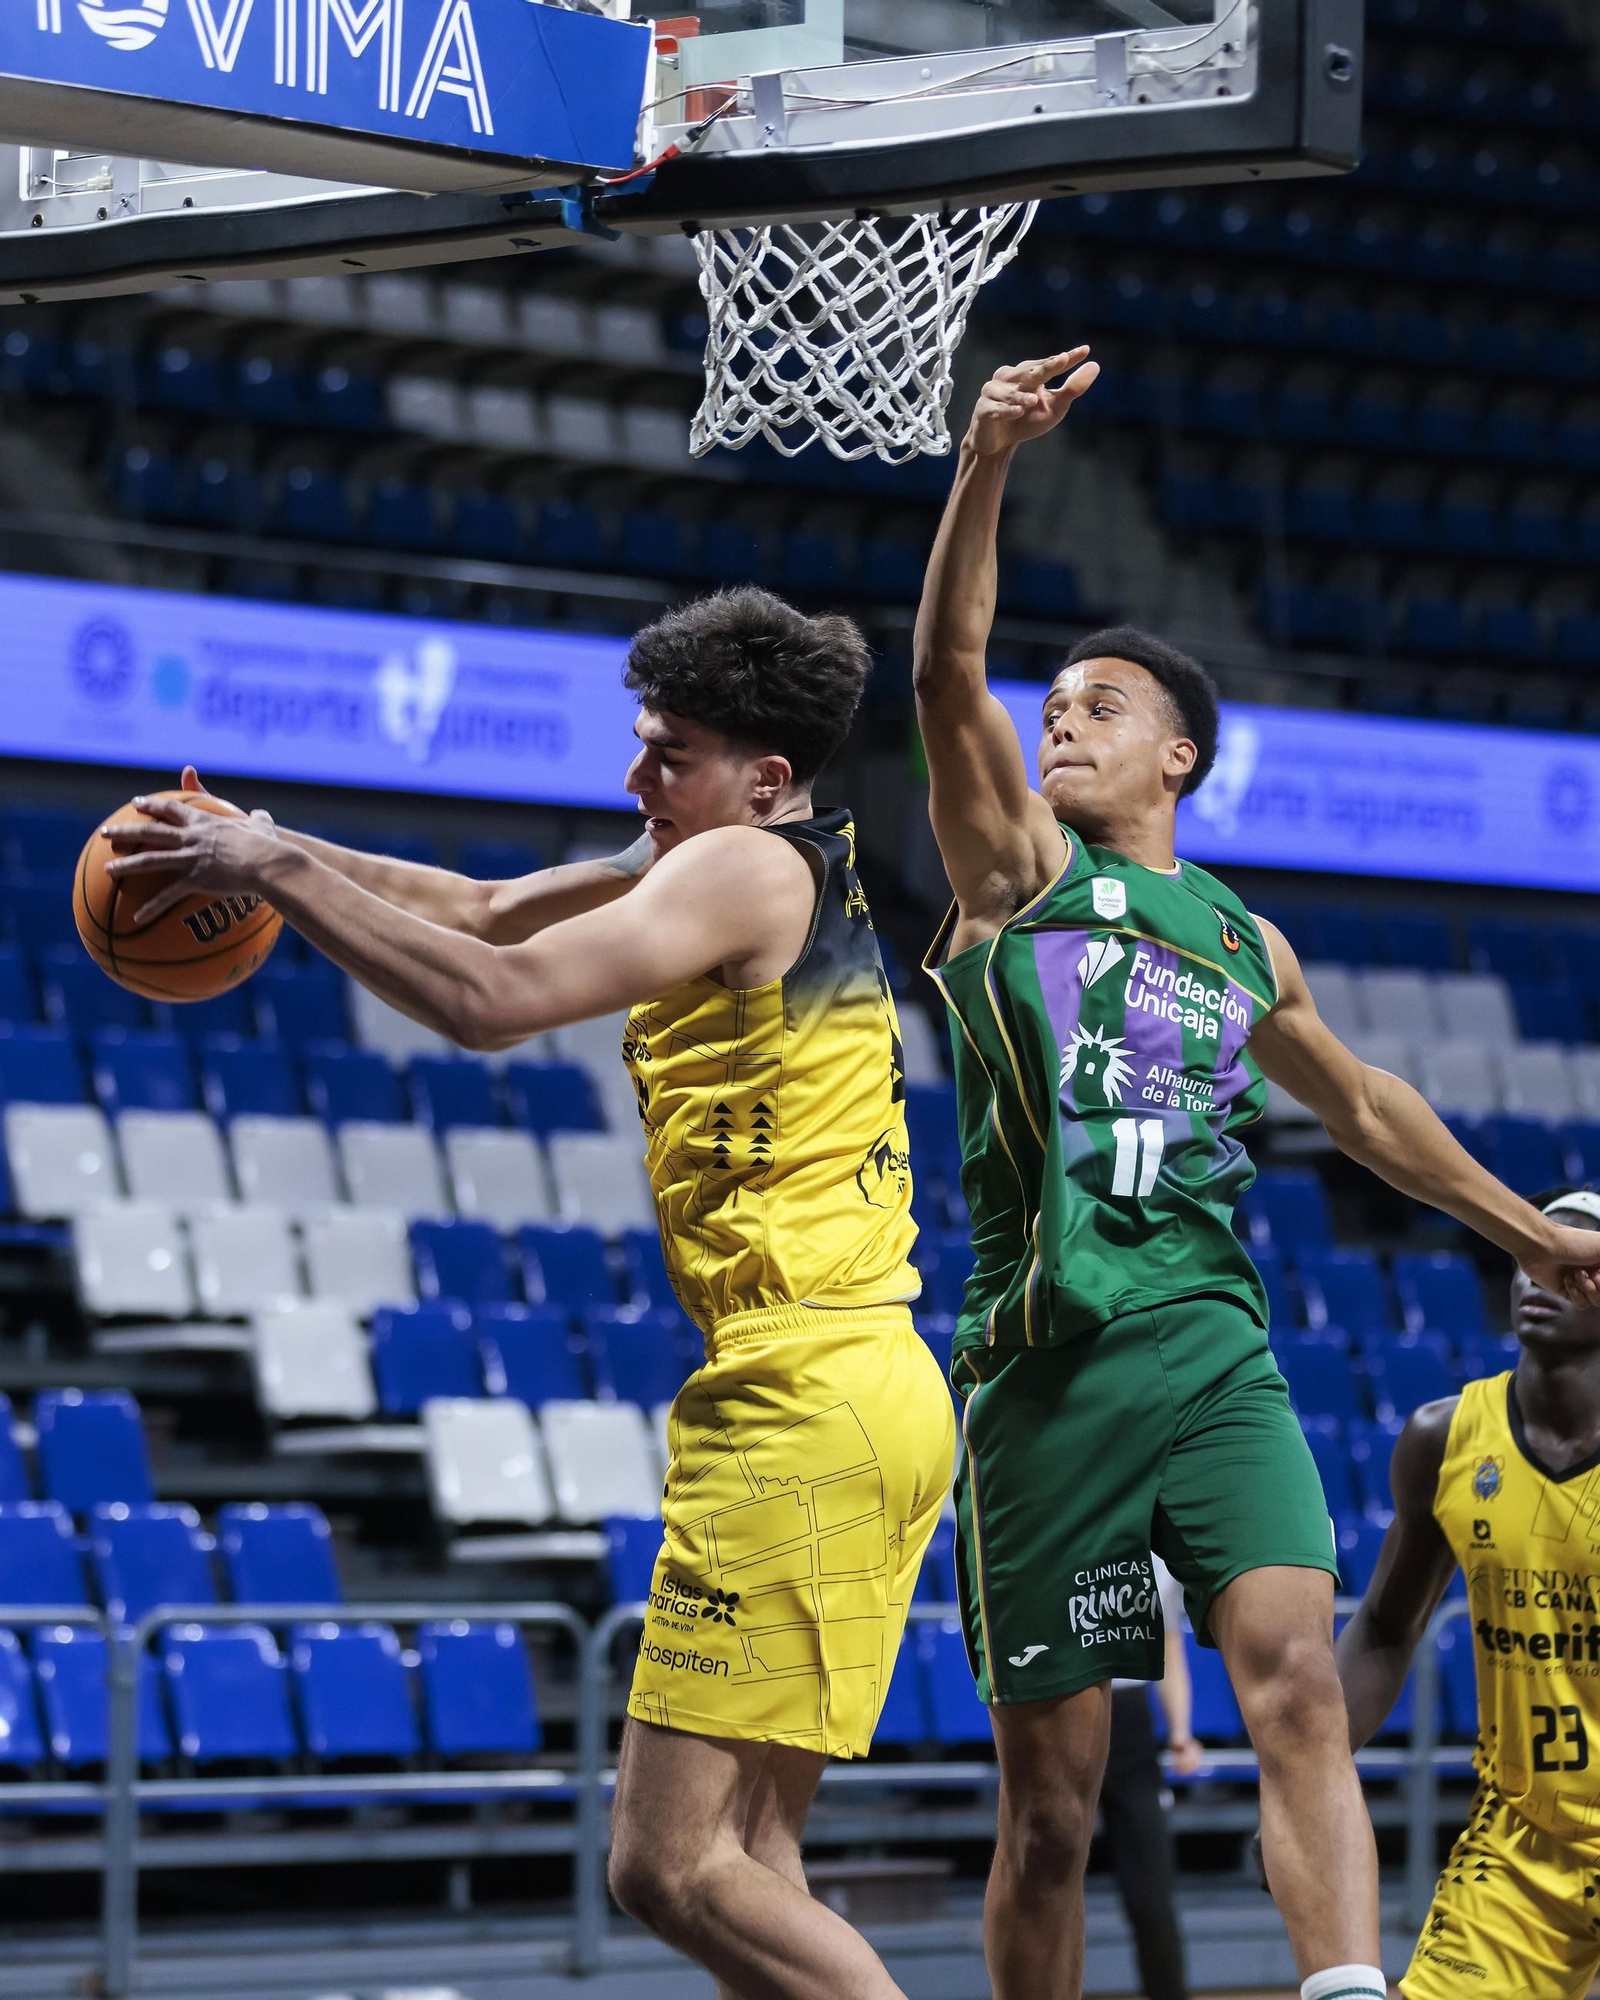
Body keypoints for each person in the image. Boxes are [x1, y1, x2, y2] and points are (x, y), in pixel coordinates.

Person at [104, 586, 958, 2000]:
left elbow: (488, 1001)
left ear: (764, 776)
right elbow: (487, 909)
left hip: (807, 1402)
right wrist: (261, 845)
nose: (636, 779)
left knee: (665, 1867)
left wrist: (280, 878)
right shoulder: (747, 854)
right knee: (753, 1857)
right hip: (867, 1392)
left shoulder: (737, 870)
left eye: (668, 754)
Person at [910, 343, 1600, 2000]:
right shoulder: (1016, 874)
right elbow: (944, 675)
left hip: (1214, 1351)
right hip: (1047, 1376)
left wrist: (1538, 1234)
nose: (1063, 718)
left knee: (1295, 1679)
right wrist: (986, 460)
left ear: (1182, 761)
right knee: (1055, 1821)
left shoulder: (1240, 937)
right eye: (1055, 705)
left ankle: (1343, 1992)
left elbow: (1364, 1107)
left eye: (1103, 707)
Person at [1335, 1186, 1600, 2000]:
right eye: (1529, 1255)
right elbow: (1383, 1626)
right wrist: (1308, 1783)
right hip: (1522, 1848)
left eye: (1574, 1264)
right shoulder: (1444, 1439)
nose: (1539, 1277)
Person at [1103, 1557, 1200, 2000]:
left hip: (1129, 1723)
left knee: (1152, 1895)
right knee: (1047, 1886)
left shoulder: (1161, 1558)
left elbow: (1169, 1644)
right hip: (1059, 1710)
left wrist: (1180, 1731)